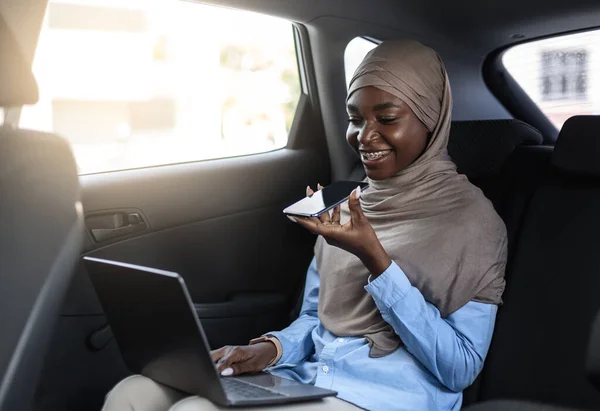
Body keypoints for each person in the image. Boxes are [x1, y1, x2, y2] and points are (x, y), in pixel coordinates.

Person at [102, 39, 507, 411]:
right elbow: (317, 317)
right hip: (311, 380)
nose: (365, 136)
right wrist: (272, 349)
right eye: (354, 119)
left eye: (386, 118)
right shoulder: (346, 202)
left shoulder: (473, 223)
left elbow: (461, 368)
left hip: (383, 398)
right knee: (133, 394)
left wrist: (376, 259)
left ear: (431, 120)